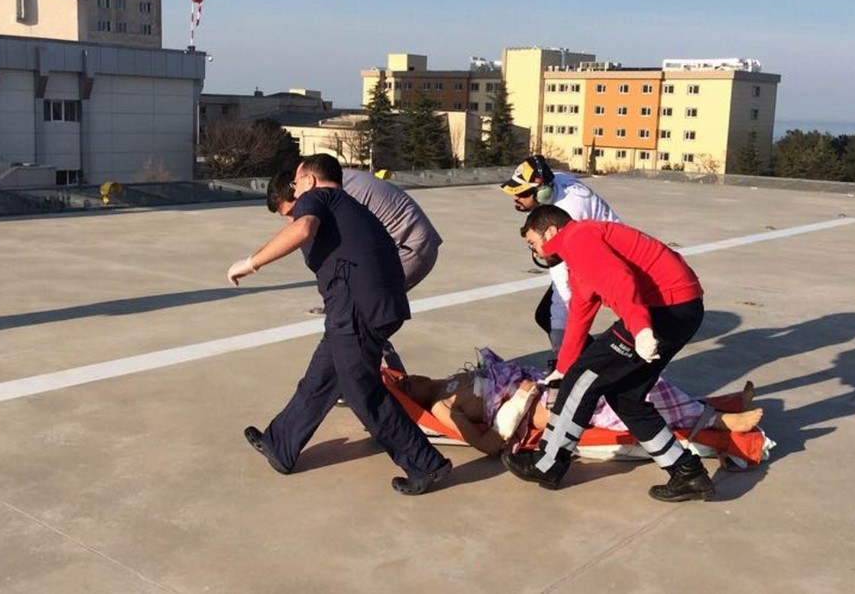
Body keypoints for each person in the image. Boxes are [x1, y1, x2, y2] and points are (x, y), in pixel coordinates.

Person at [227, 155, 452, 495]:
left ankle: (425, 464)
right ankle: (280, 443)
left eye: (297, 184)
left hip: (357, 311)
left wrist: (250, 263)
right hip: (364, 308)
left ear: (310, 180)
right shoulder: (346, 203)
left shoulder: (318, 197)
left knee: (363, 393)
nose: (295, 191)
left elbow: (303, 228)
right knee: (320, 378)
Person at [500, 204, 714, 502]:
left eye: (533, 242)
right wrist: (563, 366)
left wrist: (640, 328)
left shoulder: (576, 238)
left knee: (583, 378)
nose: (534, 251)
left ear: (550, 232)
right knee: (625, 397)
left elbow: (619, 279)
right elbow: (581, 311)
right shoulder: (581, 246)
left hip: (664, 309)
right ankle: (687, 473)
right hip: (681, 307)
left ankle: (547, 463)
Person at [393, 348, 762, 458]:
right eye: (404, 387)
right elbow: (489, 445)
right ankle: (720, 422)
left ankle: (715, 409)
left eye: (404, 377)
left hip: (542, 381)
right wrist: (520, 398)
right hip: (540, 402)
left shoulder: (447, 382)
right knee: (629, 395)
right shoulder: (441, 407)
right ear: (413, 402)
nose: (407, 379)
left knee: (635, 377)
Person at [267, 156, 443, 377]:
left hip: (409, 246)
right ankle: (373, 377)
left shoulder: (328, 195)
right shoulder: (333, 181)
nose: (292, 220)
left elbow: (314, 240)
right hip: (414, 242)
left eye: (292, 212)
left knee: (362, 318)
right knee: (363, 320)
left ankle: (385, 381)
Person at [500, 154, 619, 358]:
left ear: (542, 193)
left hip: (607, 262)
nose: (515, 197)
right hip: (594, 253)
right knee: (549, 315)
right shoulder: (555, 183)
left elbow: (561, 277)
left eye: (522, 193)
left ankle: (590, 363)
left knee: (556, 317)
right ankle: (584, 361)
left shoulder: (567, 215)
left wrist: (558, 329)